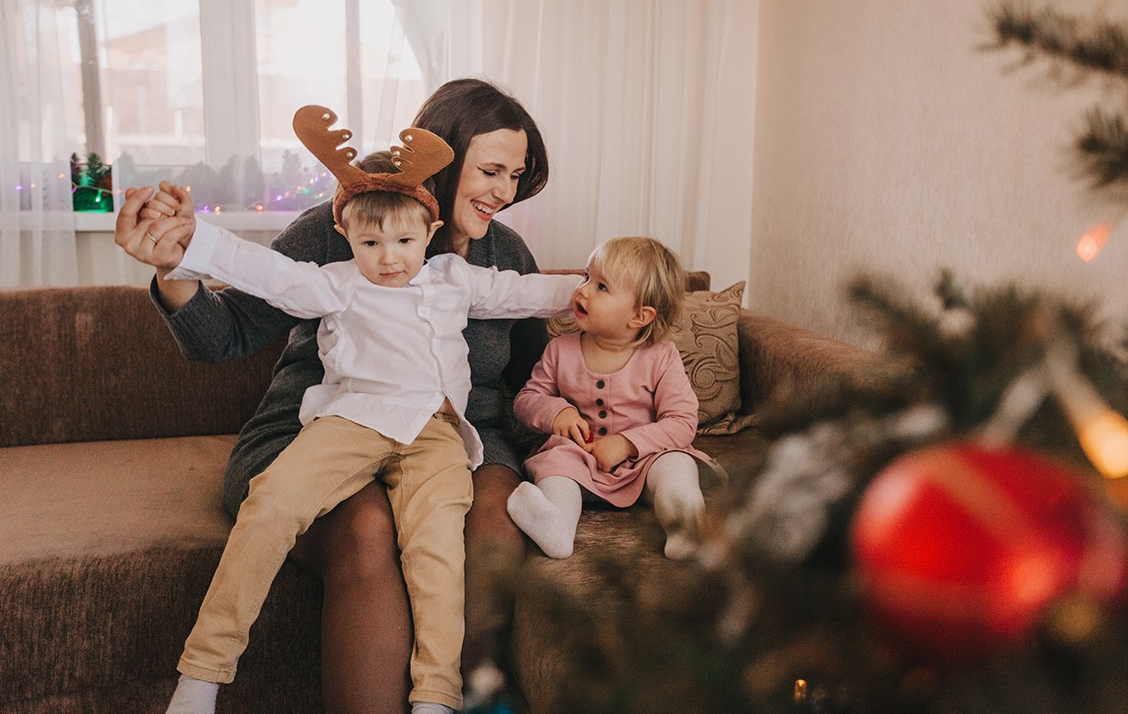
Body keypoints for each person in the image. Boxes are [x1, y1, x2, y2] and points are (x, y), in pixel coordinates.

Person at [115, 79, 554, 714]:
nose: (504, 193)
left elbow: (539, 364)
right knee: (368, 526)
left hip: (452, 435)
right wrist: (173, 268)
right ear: (445, 156)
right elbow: (228, 331)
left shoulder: (503, 252)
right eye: (490, 171)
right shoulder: (340, 228)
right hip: (325, 426)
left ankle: (462, 699)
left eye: (516, 175)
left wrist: (583, 421)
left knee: (489, 522)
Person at [506, 237, 722, 562]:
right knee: (556, 466)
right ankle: (556, 528)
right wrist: (556, 412)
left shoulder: (661, 357)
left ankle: (685, 529)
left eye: (602, 287)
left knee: (676, 464)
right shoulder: (560, 349)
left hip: (644, 461)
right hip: (582, 459)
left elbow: (681, 422)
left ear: (639, 316)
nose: (584, 290)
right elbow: (526, 399)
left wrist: (628, 443)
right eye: (585, 277)